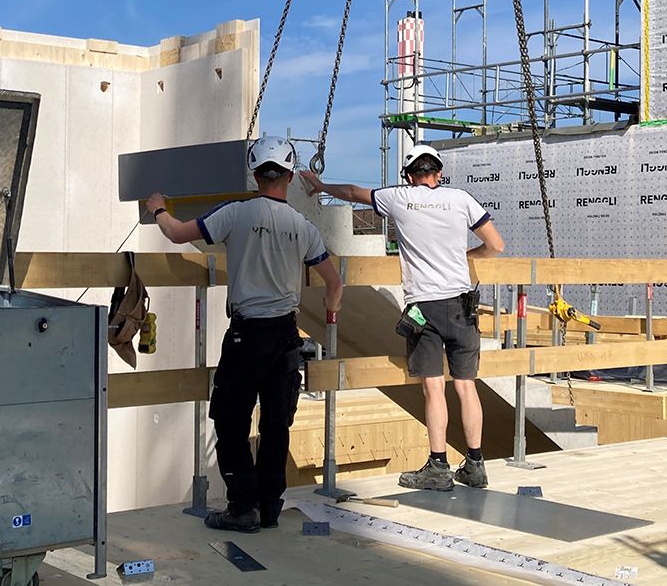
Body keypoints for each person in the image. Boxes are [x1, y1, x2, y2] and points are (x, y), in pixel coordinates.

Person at [145, 136, 343, 534]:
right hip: (287, 334)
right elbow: (333, 281)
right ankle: (269, 506)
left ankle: (242, 507)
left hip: (247, 334)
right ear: (288, 175)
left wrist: (158, 209)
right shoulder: (302, 227)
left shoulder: (235, 214)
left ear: (255, 174)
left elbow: (178, 233)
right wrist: (331, 313)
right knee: (275, 423)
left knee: (231, 419)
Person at [300, 141, 503, 492]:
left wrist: (320, 186)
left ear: (409, 176)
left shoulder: (400, 197)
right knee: (467, 387)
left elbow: (352, 192)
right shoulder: (461, 199)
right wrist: (467, 256)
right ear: (439, 173)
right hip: (462, 305)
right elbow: (496, 246)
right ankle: (475, 465)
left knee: (434, 388)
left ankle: (438, 467)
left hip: (425, 307)